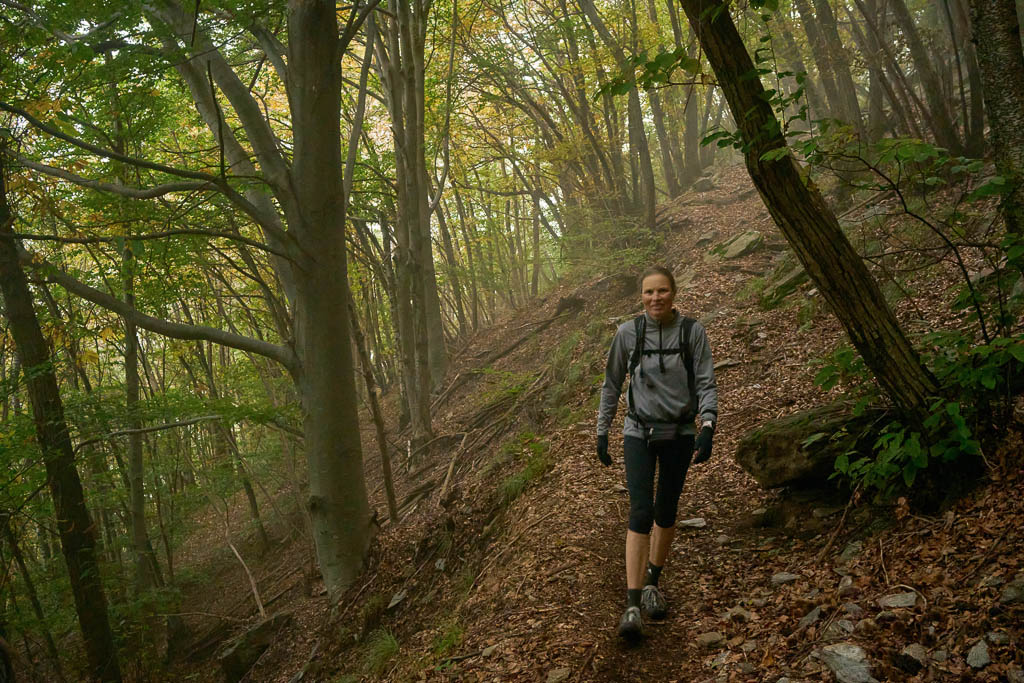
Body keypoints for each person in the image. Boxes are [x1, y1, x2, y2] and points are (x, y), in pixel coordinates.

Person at [596, 265, 718, 640]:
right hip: (638, 431)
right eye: (649, 292)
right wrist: (602, 431)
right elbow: (611, 383)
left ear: (674, 293)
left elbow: (706, 382)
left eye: (662, 291)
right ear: (641, 296)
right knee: (641, 510)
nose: (655, 298)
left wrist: (708, 425)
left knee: (666, 511)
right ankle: (632, 605)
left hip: (680, 431)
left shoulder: (692, 332)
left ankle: (653, 582)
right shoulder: (628, 333)